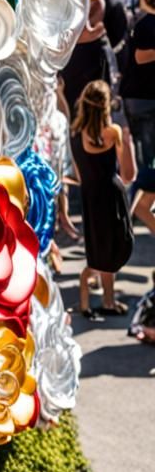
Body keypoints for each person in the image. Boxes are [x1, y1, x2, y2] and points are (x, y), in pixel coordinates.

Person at [71, 80, 136, 319]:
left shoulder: (75, 135)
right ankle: (93, 288)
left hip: (91, 197)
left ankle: (107, 301)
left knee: (100, 247)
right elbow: (128, 175)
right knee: (117, 246)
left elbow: (79, 175)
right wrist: (127, 143)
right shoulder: (113, 132)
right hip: (112, 195)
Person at [120, 0, 155, 236]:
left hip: (143, 99)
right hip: (143, 101)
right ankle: (127, 214)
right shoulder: (145, 23)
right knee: (148, 163)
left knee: (148, 162)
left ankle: (132, 212)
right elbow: (141, 57)